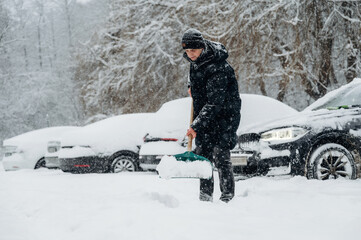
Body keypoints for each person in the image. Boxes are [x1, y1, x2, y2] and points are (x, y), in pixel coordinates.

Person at [182, 28, 242, 203]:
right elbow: (197, 80)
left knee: (221, 156)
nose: (190, 54)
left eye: (193, 50)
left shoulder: (218, 67)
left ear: (202, 47)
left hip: (225, 117)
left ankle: (227, 199)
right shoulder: (195, 62)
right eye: (186, 51)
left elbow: (215, 102)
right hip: (206, 117)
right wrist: (191, 86)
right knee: (203, 157)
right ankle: (205, 198)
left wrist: (195, 126)